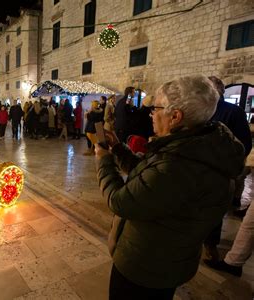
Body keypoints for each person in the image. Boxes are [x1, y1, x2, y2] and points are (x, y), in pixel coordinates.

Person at [95, 75, 245, 299]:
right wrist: (117, 149)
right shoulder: (195, 146)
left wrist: (104, 161)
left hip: (146, 267)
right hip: (170, 260)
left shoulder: (179, 165)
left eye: (155, 108)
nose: (151, 114)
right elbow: (150, 177)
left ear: (175, 116)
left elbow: (120, 201)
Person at [203, 76, 253, 262]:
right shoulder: (202, 109)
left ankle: (210, 244)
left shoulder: (233, 111)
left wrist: (228, 163)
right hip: (198, 168)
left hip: (219, 170)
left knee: (216, 210)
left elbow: (244, 144)